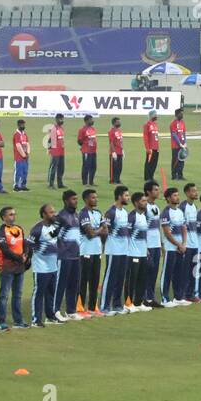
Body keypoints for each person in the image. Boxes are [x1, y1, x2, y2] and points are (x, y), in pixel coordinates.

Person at [0, 205, 29, 330]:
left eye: (14, 214)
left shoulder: (19, 228)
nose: (13, 216)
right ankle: (1, 322)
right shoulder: (1, 231)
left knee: (18, 295)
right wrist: (19, 258)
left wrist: (25, 254)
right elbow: (5, 250)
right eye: (10, 214)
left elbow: (24, 243)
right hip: (7, 268)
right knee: (4, 295)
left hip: (19, 267)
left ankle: (18, 321)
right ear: (4, 217)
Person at [29, 203, 62, 327]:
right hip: (41, 267)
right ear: (44, 214)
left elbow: (52, 239)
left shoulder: (54, 226)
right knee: (39, 293)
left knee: (51, 292)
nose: (54, 214)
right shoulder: (37, 229)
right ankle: (36, 319)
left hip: (53, 266)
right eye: (51, 212)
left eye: (54, 212)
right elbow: (29, 245)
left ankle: (50, 316)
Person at [102, 186, 132, 314]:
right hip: (113, 251)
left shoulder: (124, 212)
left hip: (124, 251)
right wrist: (105, 246)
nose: (128, 198)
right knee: (110, 279)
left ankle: (117, 305)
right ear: (119, 197)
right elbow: (104, 232)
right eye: (126, 195)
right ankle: (105, 306)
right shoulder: (111, 212)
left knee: (120, 278)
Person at [54, 190, 83, 321]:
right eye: (73, 199)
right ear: (66, 201)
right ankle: (55, 310)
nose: (76, 201)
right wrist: (60, 250)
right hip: (64, 256)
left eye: (76, 199)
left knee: (73, 285)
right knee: (60, 284)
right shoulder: (60, 217)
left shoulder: (76, 215)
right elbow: (53, 235)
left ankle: (71, 311)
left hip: (75, 256)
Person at [159, 186, 189, 307]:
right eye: (175, 195)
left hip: (180, 248)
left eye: (178, 195)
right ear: (168, 198)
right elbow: (167, 233)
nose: (178, 197)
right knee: (167, 273)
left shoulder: (180, 212)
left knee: (179, 274)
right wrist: (178, 244)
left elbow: (184, 228)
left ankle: (178, 297)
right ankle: (164, 299)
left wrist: (184, 244)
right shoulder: (166, 213)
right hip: (170, 248)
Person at [78, 188, 104, 316]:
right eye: (93, 197)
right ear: (86, 199)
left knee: (95, 281)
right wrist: (98, 230)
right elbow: (90, 234)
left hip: (97, 251)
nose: (96, 199)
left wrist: (96, 231)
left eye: (96, 197)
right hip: (85, 251)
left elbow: (106, 231)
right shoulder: (83, 214)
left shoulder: (98, 213)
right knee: (83, 281)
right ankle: (80, 308)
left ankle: (93, 308)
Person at [77, 115, 98, 186]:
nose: (92, 121)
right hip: (86, 151)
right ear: (86, 121)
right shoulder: (82, 130)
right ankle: (85, 182)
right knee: (86, 166)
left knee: (93, 167)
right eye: (91, 120)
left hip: (93, 151)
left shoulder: (93, 129)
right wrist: (84, 147)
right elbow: (79, 141)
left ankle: (91, 182)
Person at [47, 114, 66, 189]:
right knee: (53, 168)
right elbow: (49, 140)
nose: (62, 121)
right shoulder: (54, 128)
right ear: (56, 120)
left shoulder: (61, 128)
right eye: (60, 119)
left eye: (62, 119)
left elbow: (61, 139)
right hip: (55, 151)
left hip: (61, 151)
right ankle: (50, 184)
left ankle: (60, 184)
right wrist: (49, 149)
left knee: (61, 168)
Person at [12, 119, 30, 191]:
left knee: (25, 171)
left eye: (24, 124)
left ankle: (23, 185)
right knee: (18, 172)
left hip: (25, 157)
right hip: (19, 157)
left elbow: (27, 144)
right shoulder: (16, 135)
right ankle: (16, 185)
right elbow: (18, 145)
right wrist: (24, 155)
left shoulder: (24, 134)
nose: (23, 126)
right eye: (22, 124)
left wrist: (28, 153)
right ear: (18, 125)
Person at [142, 110, 160, 182]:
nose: (156, 116)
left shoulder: (155, 124)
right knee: (149, 162)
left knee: (154, 163)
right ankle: (147, 177)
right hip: (151, 148)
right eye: (155, 115)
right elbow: (145, 137)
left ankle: (151, 176)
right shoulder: (147, 125)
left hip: (156, 147)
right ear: (151, 116)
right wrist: (147, 148)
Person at [170, 108, 187, 179]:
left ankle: (180, 175)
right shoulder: (173, 123)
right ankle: (174, 175)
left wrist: (185, 142)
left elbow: (184, 133)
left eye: (182, 113)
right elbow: (174, 134)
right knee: (175, 160)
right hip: (176, 146)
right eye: (181, 113)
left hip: (182, 146)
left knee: (182, 160)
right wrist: (179, 143)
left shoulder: (182, 122)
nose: (182, 115)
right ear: (177, 114)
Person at [107, 117, 124, 184]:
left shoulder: (119, 130)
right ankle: (112, 180)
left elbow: (121, 141)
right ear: (114, 123)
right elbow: (111, 142)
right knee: (114, 167)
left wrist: (122, 150)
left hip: (120, 151)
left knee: (119, 167)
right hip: (114, 152)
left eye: (119, 122)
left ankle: (118, 179)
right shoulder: (111, 131)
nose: (119, 123)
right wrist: (113, 152)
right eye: (118, 122)